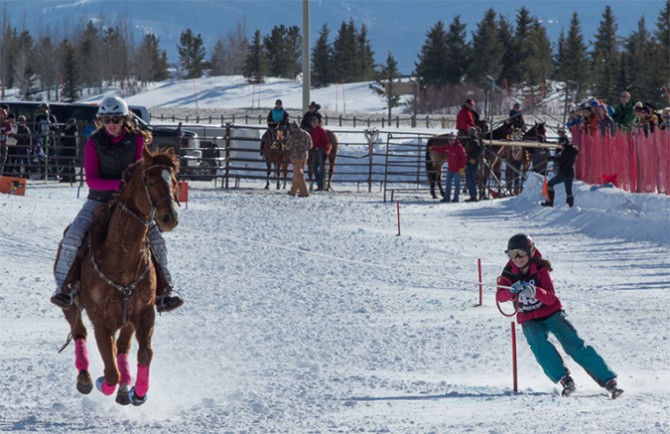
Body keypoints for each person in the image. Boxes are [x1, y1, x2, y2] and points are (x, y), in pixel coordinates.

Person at [50, 96, 183, 313]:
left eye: (116, 119)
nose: (111, 124)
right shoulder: (93, 142)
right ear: (101, 121)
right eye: (107, 119)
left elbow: (142, 171)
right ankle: (65, 288)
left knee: (157, 240)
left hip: (129, 201)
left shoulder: (137, 140)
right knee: (74, 236)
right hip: (99, 199)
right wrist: (118, 184)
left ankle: (165, 290)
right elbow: (92, 179)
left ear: (124, 119)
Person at [496, 234, 624, 399]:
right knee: (537, 341)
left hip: (551, 313)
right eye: (512, 254)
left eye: (521, 253)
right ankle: (564, 379)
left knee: (573, 343)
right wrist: (510, 291)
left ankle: (608, 380)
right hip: (528, 317)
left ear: (531, 252)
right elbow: (500, 296)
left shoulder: (540, 270)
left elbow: (551, 298)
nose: (517, 258)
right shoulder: (508, 274)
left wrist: (536, 292)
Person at [542, 129, 579, 208]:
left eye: (561, 145)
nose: (561, 146)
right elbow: (564, 158)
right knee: (568, 190)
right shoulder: (572, 149)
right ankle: (570, 206)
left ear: (564, 143)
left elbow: (561, 159)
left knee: (550, 184)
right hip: (571, 173)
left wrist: (552, 158)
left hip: (564, 173)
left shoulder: (566, 150)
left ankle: (550, 201)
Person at [285, 121, 313, 197]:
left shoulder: (293, 135)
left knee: (299, 175)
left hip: (296, 157)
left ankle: (304, 193)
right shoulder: (306, 133)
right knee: (297, 174)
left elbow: (288, 146)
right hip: (305, 156)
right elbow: (310, 145)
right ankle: (292, 192)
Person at [438, 133, 467, 203]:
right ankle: (446, 198)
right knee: (448, 183)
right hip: (450, 169)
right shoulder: (448, 147)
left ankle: (456, 198)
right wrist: (433, 148)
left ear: (455, 140)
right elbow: (441, 150)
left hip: (457, 169)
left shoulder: (459, 147)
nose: (451, 141)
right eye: (450, 140)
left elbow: (464, 157)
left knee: (457, 184)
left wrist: (462, 168)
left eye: (452, 140)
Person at [33, 102, 59, 179]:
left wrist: (51, 125)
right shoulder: (38, 118)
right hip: (42, 138)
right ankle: (43, 173)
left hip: (50, 138)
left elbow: (56, 127)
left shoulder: (51, 117)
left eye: (43, 108)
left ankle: (55, 173)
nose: (42, 110)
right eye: (41, 109)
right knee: (42, 156)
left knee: (53, 156)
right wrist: (39, 135)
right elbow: (35, 128)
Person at [308, 116, 329, 191]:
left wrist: (326, 150)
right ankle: (319, 184)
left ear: (317, 123)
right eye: (312, 122)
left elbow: (326, 141)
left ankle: (321, 186)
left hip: (321, 149)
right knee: (314, 168)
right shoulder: (312, 131)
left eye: (315, 122)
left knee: (321, 168)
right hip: (315, 150)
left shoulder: (321, 130)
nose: (313, 124)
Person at [463, 127, 482, 202]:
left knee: (471, 179)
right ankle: (472, 195)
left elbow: (477, 151)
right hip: (470, 161)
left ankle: (473, 196)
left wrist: (473, 158)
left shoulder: (474, 141)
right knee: (470, 179)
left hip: (471, 162)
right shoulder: (473, 141)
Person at [59, 118, 79, 183]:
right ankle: (70, 177)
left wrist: (63, 136)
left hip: (69, 149)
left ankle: (68, 177)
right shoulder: (71, 131)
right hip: (70, 149)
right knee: (68, 163)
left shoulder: (71, 131)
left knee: (68, 163)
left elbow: (66, 140)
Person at [0, 108, 11, 175]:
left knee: (3, 158)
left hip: (4, 142)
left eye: (2, 115)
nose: (1, 116)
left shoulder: (7, 123)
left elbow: (10, 130)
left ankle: (0, 173)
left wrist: (5, 132)